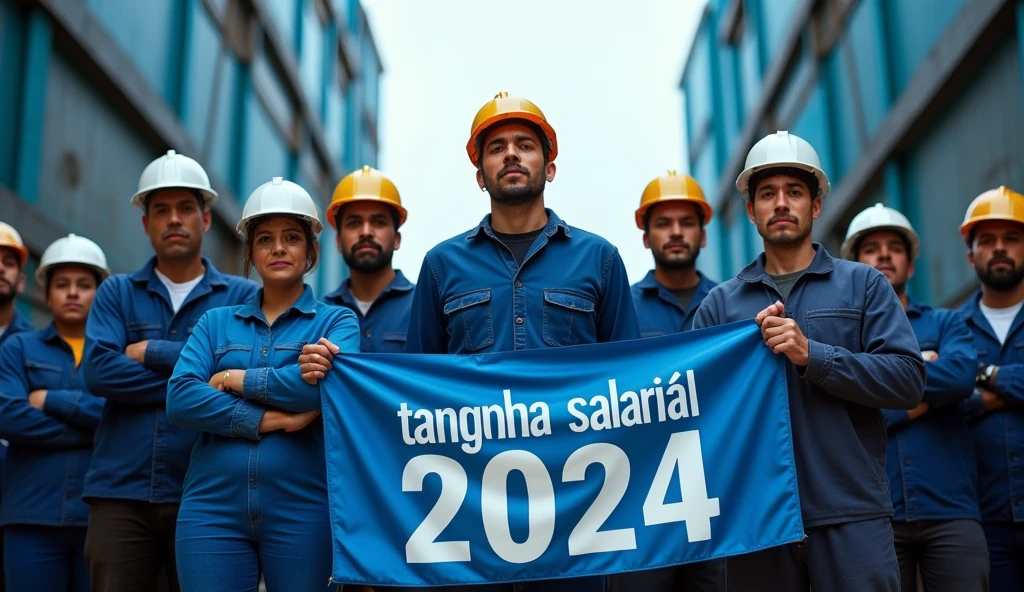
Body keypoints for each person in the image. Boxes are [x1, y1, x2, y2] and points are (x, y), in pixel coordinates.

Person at [401, 91, 639, 591]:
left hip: (578, 504)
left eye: (526, 145)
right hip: (470, 506)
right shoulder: (441, 266)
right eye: (497, 147)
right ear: (479, 173)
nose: (511, 154)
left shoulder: (600, 259)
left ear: (549, 167)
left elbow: (631, 379)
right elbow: (415, 385)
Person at [692, 131, 926, 591]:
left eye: (794, 192)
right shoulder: (719, 307)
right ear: (750, 211)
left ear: (815, 206)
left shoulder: (864, 285)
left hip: (851, 513)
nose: (781, 203)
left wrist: (812, 355)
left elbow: (908, 380)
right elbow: (692, 409)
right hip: (758, 522)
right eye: (767, 194)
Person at [166, 177, 360, 591]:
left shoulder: (338, 322)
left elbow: (324, 391)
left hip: (305, 510)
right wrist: (272, 420)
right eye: (265, 239)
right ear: (250, 253)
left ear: (312, 250)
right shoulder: (215, 323)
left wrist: (233, 378)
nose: (277, 248)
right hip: (210, 511)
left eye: (291, 237)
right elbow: (181, 398)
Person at [81, 150, 259, 592]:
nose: (174, 219)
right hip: (120, 494)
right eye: (161, 210)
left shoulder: (240, 297)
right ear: (146, 223)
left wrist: (154, 353)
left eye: (185, 208)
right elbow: (100, 372)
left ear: (205, 218)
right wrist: (202, 382)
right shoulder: (116, 293)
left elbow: (248, 371)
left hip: (210, 495)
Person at [843, 203, 987, 591]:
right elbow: (841, 411)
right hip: (875, 515)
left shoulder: (947, 322)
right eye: (871, 248)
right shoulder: (842, 338)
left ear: (911, 265)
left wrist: (877, 388)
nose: (884, 255)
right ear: (854, 268)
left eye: (895, 247)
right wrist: (921, 395)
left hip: (951, 509)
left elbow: (959, 377)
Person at [609, 171, 722, 590]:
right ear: (646, 236)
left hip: (720, 496)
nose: (676, 232)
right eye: (663, 223)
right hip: (640, 500)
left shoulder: (733, 307)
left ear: (703, 234)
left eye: (687, 222)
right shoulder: (621, 309)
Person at [0, 234, 110, 591]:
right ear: (47, 295)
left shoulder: (114, 357)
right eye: (62, 285)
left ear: (101, 294)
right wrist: (98, 429)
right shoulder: (18, 348)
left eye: (84, 285)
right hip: (30, 517)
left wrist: (49, 400)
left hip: (99, 520)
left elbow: (120, 415)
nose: (73, 293)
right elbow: (9, 416)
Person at [957, 186, 1024, 589]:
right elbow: (945, 403)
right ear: (971, 256)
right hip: (984, 520)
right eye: (987, 241)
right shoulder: (951, 330)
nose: (1000, 248)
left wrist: (983, 376)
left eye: (1012, 239)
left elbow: (964, 390)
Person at [323, 166, 414, 352]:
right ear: (339, 242)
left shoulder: (424, 307)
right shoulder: (319, 314)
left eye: (378, 222)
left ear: (397, 239)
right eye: (354, 223)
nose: (366, 232)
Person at [0, 221, 33, 592]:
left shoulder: (35, 348)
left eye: (8, 262)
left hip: (14, 497)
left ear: (21, 282)